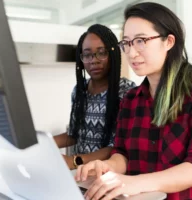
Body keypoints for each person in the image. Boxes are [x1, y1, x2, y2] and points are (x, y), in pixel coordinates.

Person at [75, 3, 192, 200]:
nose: (131, 53)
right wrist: (107, 166)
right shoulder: (131, 99)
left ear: (169, 42)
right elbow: (123, 154)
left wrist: (135, 182)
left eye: (141, 40)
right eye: (127, 43)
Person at [54, 24, 136, 170]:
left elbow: (117, 146)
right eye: (87, 54)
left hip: (108, 175)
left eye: (102, 53)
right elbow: (74, 134)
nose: (94, 60)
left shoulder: (127, 92)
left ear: (113, 54)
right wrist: (42, 144)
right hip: (81, 174)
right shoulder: (79, 91)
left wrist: (74, 161)